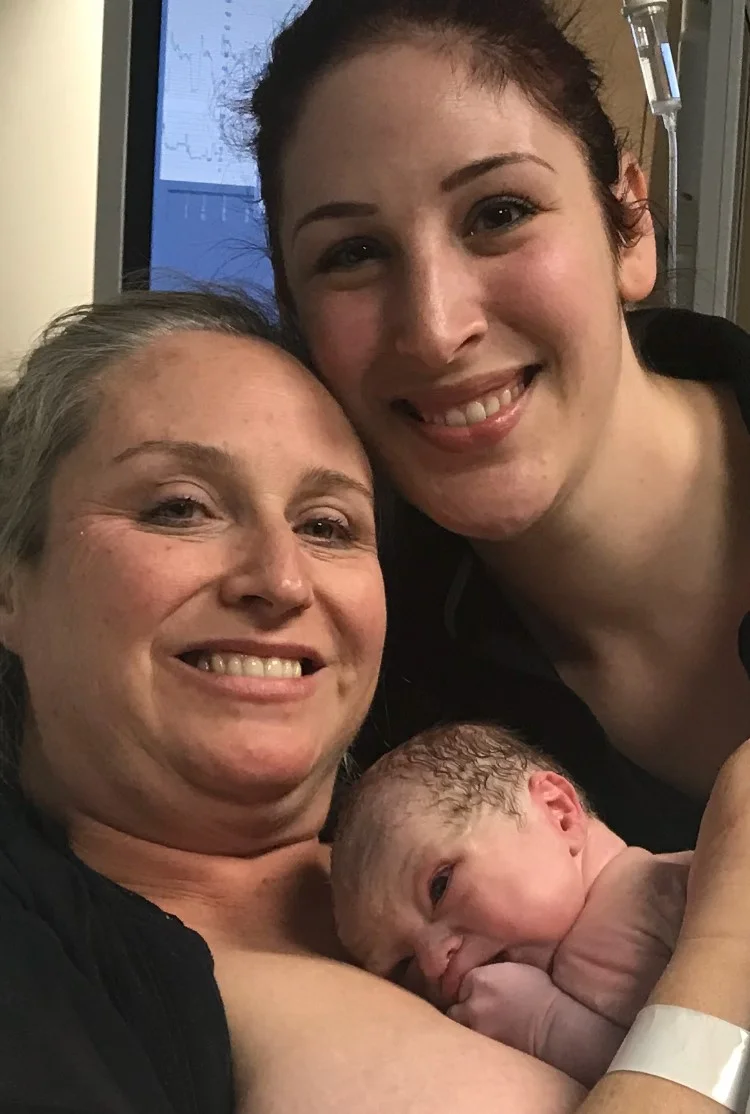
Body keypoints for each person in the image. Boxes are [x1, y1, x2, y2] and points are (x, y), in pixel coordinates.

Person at [3, 287, 750, 1114]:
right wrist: (725, 944)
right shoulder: (44, 968)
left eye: (327, 526)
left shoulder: (485, 821)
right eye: (179, 508)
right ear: (9, 579)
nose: (280, 579)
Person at [247, 0, 750, 852]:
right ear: (296, 314)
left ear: (630, 225)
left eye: (499, 213)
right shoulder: (359, 686)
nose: (435, 329)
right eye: (353, 254)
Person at [330, 722, 692, 1088]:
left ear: (559, 813)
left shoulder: (676, 888)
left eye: (440, 887)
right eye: (403, 965)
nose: (432, 964)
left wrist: (546, 1026)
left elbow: (707, 1075)